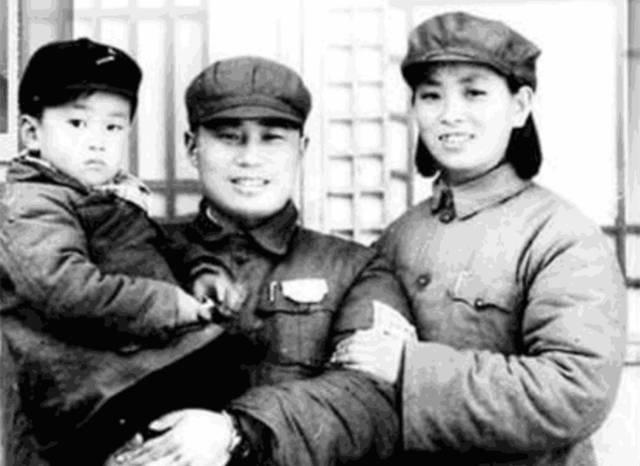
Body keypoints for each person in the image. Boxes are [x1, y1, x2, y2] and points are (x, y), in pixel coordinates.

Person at [331, 11, 627, 466]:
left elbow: (576, 390)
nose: (450, 114)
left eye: (474, 93)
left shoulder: (561, 237)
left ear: (520, 106)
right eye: (431, 95)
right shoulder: (398, 236)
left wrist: (411, 369)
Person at [106, 55, 415, 466]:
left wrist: (236, 432)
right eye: (229, 137)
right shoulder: (138, 250)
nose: (250, 157)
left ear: (301, 149)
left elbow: (374, 397)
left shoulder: (355, 270)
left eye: (271, 138)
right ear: (192, 147)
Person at [0, 38, 244, 465]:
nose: (97, 142)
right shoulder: (33, 203)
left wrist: (199, 269)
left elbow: (160, 243)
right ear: (32, 132)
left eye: (112, 128)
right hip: (93, 393)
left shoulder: (110, 195)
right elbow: (65, 288)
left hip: (138, 372)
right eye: (78, 123)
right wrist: (170, 305)